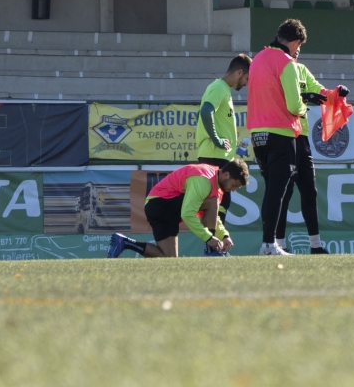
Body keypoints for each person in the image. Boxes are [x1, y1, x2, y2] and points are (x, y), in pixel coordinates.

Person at [247, 19, 337, 256]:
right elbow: (294, 105)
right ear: (296, 42)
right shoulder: (286, 62)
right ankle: (269, 245)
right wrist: (305, 102)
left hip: (258, 133)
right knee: (278, 192)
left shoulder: (258, 59)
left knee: (272, 191)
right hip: (281, 131)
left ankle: (270, 243)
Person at [108, 160, 249, 258]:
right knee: (212, 202)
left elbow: (213, 215)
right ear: (226, 174)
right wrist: (209, 238)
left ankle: (125, 242)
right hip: (161, 203)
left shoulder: (216, 183)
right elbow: (187, 214)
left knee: (169, 258)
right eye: (234, 185)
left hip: (155, 207)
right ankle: (211, 251)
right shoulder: (204, 181)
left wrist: (224, 236)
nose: (234, 190)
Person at [194, 54, 251, 224]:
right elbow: (205, 111)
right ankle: (214, 241)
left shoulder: (222, 89)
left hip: (218, 156)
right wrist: (217, 139)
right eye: (247, 78)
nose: (247, 84)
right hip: (214, 155)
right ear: (239, 72)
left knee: (217, 204)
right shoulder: (219, 87)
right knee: (217, 204)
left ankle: (213, 239)